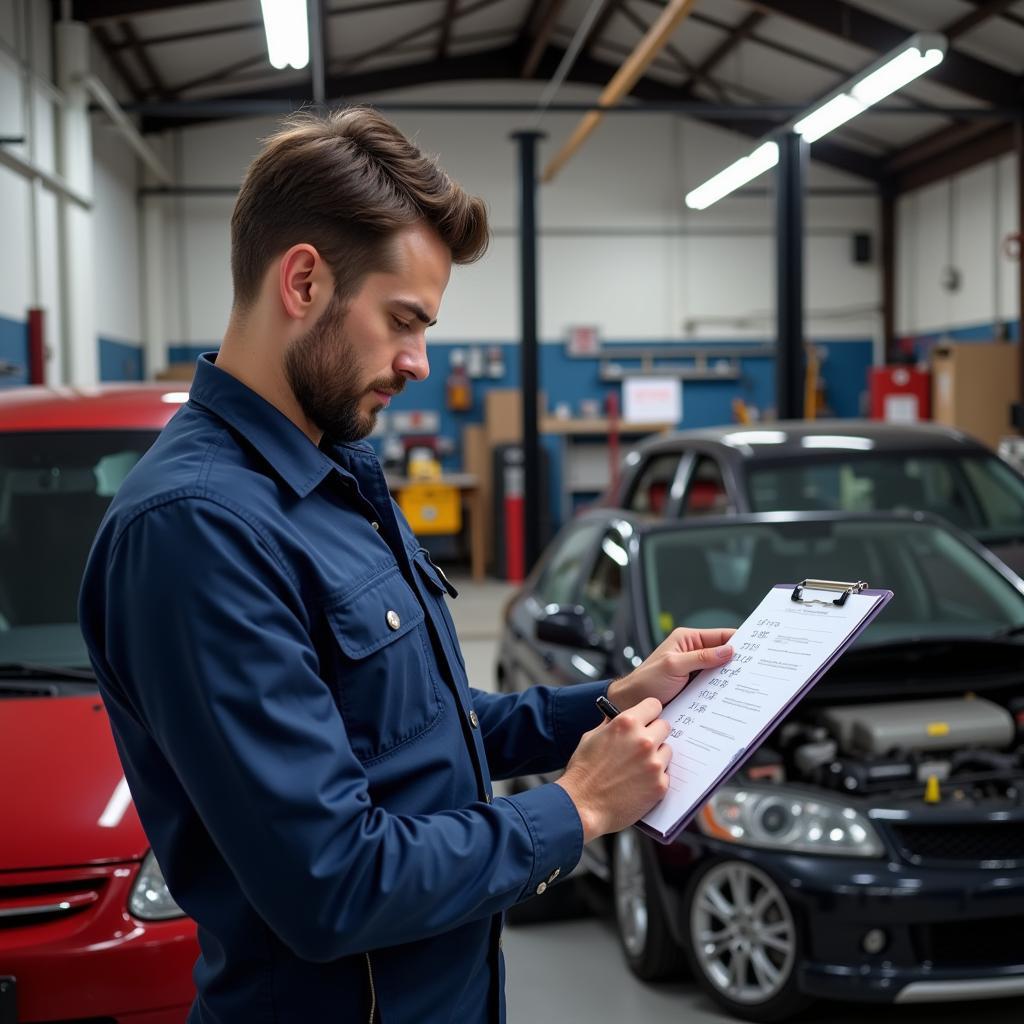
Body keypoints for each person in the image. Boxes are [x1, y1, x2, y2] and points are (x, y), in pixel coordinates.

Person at [79, 108, 735, 1024]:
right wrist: (576, 810)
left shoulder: (334, 478)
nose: (419, 362)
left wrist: (614, 700)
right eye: (402, 321)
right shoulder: (198, 530)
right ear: (303, 281)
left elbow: (419, 727)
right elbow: (331, 882)